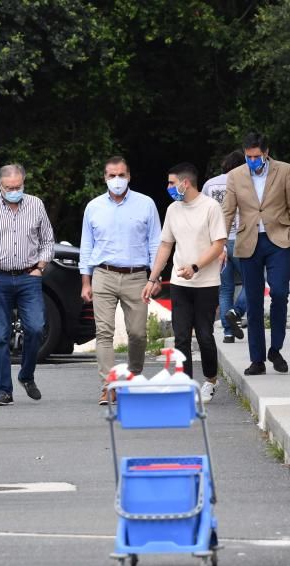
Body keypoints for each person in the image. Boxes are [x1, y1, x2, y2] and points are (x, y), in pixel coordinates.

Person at [0, 163, 54, 406]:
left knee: (35, 327)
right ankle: (4, 390)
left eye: (18, 186)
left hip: (28, 276)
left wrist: (40, 268)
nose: (15, 191)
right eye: (9, 187)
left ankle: (26, 375)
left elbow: (47, 241)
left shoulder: (35, 204)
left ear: (23, 183)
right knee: (0, 336)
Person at [79, 156, 161, 405]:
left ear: (129, 176)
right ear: (104, 178)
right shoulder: (93, 207)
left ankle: (133, 377)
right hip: (103, 274)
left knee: (137, 333)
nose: (117, 180)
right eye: (112, 175)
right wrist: (86, 281)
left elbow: (156, 242)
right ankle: (108, 386)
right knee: (104, 332)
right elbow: (86, 246)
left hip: (137, 275)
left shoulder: (146, 204)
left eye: (121, 175)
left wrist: (155, 277)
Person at [142, 163, 226, 403]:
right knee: (181, 336)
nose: (168, 187)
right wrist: (153, 277)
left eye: (171, 183)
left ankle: (210, 379)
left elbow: (218, 245)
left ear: (185, 183)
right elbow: (166, 245)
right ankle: (185, 384)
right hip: (180, 283)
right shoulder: (172, 210)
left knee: (204, 335)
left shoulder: (210, 207)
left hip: (206, 282)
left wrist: (196, 266)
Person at [222, 130, 290, 375]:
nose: (252, 161)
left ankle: (275, 349)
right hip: (247, 242)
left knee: (279, 293)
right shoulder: (235, 176)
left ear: (266, 153)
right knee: (254, 302)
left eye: (256, 156)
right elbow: (227, 211)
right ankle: (257, 359)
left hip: (278, 240)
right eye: (248, 156)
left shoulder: (285, 170)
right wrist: (220, 244)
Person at [202, 150, 248, 344]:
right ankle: (235, 312)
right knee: (252, 282)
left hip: (217, 243)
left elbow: (202, 212)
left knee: (225, 288)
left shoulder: (209, 185)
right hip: (240, 238)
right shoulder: (246, 182)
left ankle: (228, 333)